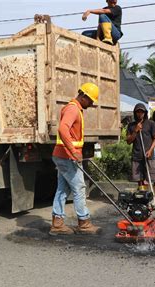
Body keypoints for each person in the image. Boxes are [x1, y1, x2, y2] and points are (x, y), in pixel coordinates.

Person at [49, 83, 102, 236]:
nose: (91, 104)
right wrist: (73, 150)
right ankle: (84, 223)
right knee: (79, 188)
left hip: (61, 155)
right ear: (84, 96)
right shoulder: (72, 109)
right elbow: (62, 128)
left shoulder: (74, 108)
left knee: (62, 189)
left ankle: (57, 223)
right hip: (67, 156)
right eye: (91, 101)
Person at [126, 103, 155, 208]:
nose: (140, 114)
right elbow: (128, 141)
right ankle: (143, 201)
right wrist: (135, 131)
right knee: (140, 180)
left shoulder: (150, 123)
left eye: (142, 112)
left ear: (145, 113)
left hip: (148, 156)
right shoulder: (131, 125)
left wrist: (151, 150)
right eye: (138, 112)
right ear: (135, 113)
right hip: (137, 156)